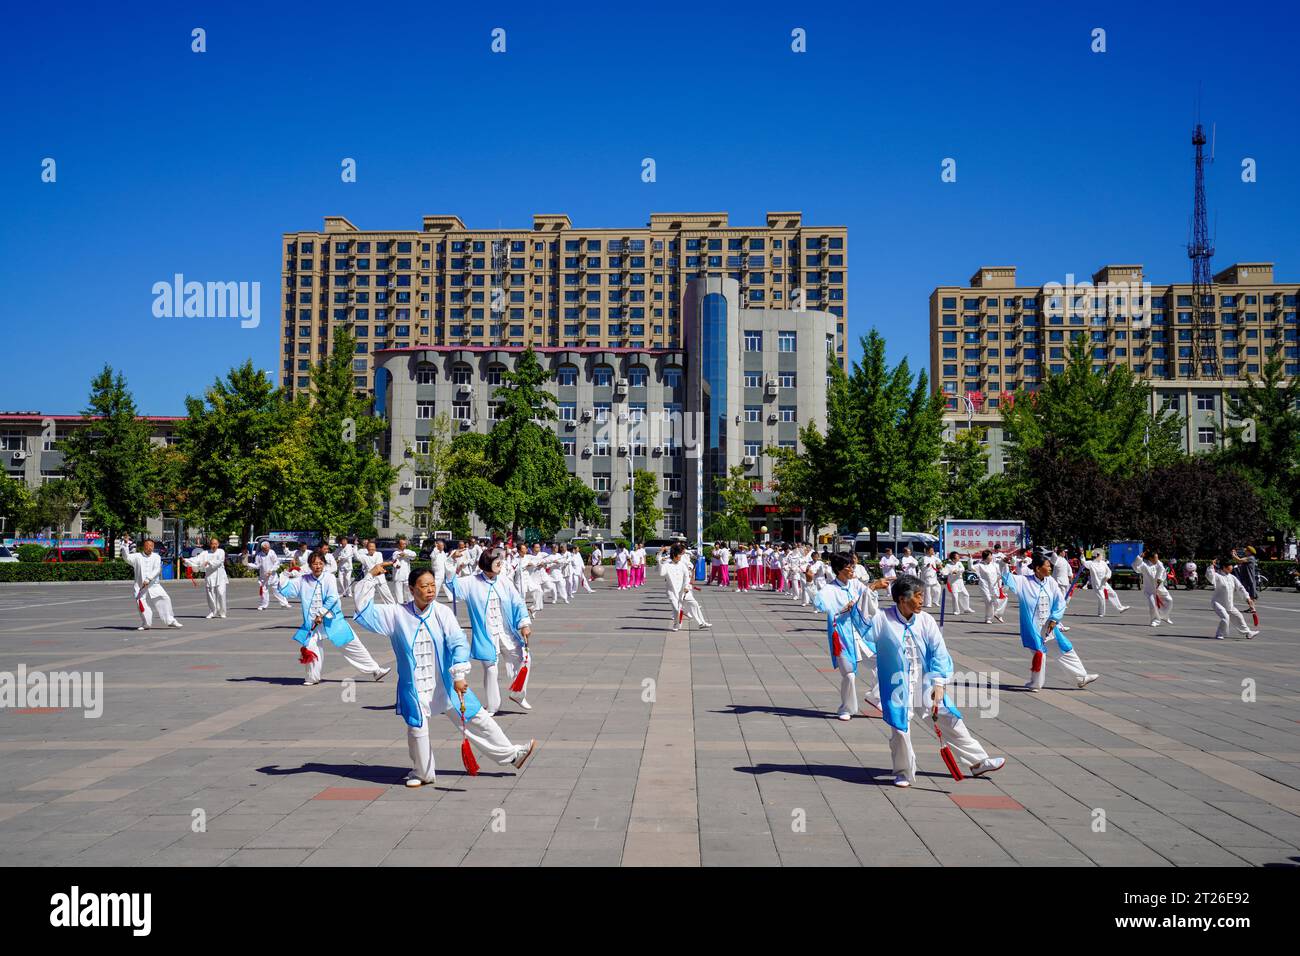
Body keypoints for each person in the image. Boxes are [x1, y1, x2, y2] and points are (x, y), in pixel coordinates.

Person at [353, 564, 535, 787]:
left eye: (432, 585)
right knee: (417, 729)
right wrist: (371, 577)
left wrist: (459, 673)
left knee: (477, 718)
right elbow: (363, 610)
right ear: (412, 589)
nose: (430, 590)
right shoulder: (396, 614)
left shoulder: (442, 612)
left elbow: (458, 642)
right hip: (415, 686)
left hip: (447, 682)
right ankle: (423, 773)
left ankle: (512, 755)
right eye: (424, 586)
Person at [869, 574, 1006, 787]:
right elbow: (861, 617)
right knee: (900, 728)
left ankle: (978, 761)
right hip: (898, 685)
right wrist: (871, 589)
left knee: (950, 719)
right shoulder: (882, 619)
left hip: (925, 682)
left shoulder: (925, 619)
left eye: (922, 595)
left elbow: (939, 652)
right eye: (918, 595)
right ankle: (904, 772)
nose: (922, 600)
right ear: (902, 599)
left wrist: (939, 683)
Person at [276, 552, 391, 686]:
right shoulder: (303, 580)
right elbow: (285, 590)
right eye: (314, 564)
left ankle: (376, 670)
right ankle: (311, 678)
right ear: (310, 565)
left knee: (352, 644)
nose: (318, 566)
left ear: (324, 564)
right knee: (310, 648)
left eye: (320, 563)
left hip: (333, 621)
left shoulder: (329, 577)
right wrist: (286, 574)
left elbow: (332, 598)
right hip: (312, 624)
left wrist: (321, 614)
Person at [447, 547, 535, 714]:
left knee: (525, 658)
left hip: (506, 632)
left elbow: (517, 602)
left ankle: (518, 693)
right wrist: (452, 561)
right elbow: (452, 584)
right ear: (487, 564)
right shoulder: (471, 582)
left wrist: (524, 624)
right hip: (486, 635)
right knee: (491, 669)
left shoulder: (504, 581)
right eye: (496, 561)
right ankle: (493, 705)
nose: (500, 564)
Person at [1003, 550, 1098, 691]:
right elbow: (1006, 577)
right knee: (1039, 653)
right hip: (1033, 627)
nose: (1050, 568)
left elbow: (1060, 601)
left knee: (1065, 648)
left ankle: (1081, 677)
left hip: (1049, 626)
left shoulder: (1051, 582)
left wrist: (1055, 618)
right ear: (1037, 568)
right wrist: (1003, 564)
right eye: (1047, 566)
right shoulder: (1024, 581)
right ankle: (1035, 684)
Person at [814, 553, 888, 720]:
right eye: (848, 566)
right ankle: (846, 708)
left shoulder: (855, 583)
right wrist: (842, 608)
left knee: (882, 662)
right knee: (849, 674)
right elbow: (821, 604)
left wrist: (873, 589)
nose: (852, 569)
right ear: (839, 570)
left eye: (852, 566)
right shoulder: (829, 589)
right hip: (842, 635)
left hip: (861, 634)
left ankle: (875, 696)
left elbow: (868, 599)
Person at [125, 538, 182, 630]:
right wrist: (125, 545)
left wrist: (148, 579)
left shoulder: (156, 557)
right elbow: (126, 557)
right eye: (148, 545)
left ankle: (171, 620)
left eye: (152, 546)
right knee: (141, 603)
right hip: (140, 586)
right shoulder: (137, 556)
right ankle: (146, 623)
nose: (150, 548)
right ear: (144, 546)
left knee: (165, 598)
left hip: (154, 585)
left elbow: (157, 570)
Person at [658, 543, 711, 630]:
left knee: (694, 604)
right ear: (674, 555)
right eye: (679, 554)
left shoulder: (682, 564)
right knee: (676, 609)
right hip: (672, 591)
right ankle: (676, 624)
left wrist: (686, 586)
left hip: (684, 590)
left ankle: (702, 623)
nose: (680, 556)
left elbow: (686, 576)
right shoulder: (667, 565)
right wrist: (660, 558)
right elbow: (661, 573)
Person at [1207, 557, 1258, 640]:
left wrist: (1248, 598)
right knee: (1225, 617)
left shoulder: (1232, 577)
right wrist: (1211, 566)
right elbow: (1210, 576)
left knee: (1239, 617)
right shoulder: (1217, 576)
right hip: (1217, 603)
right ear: (1224, 567)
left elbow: (1240, 588)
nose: (1231, 568)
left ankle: (1248, 633)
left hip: (1229, 604)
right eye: (1230, 566)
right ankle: (1219, 634)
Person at [185, 537, 229, 620]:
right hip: (209, 576)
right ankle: (213, 611)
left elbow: (219, 562)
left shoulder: (221, 552)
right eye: (212, 544)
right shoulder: (205, 553)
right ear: (210, 544)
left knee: (221, 593)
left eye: (216, 544)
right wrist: (187, 561)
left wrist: (208, 562)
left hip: (220, 576)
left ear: (218, 544)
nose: (214, 546)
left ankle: (222, 612)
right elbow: (196, 559)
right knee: (211, 594)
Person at [1132, 550, 1174, 627]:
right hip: (1150, 589)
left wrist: (1160, 579)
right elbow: (1135, 567)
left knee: (1169, 600)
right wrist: (1139, 558)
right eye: (1155, 558)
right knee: (1153, 605)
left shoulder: (1159, 564)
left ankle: (1164, 616)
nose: (1157, 560)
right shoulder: (1144, 565)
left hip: (1160, 588)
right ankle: (1155, 620)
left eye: (1157, 558)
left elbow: (1163, 572)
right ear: (1150, 558)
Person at [245, 540, 290, 611]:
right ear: (262, 548)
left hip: (273, 576)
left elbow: (276, 563)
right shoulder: (259, 555)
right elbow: (257, 565)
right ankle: (263, 605)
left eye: (268, 548)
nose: (267, 550)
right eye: (265, 549)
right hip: (263, 576)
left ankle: (284, 603)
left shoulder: (272, 553)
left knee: (277, 590)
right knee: (264, 591)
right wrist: (248, 564)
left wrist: (271, 571)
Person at [1083, 550, 1129, 617]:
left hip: (1104, 583)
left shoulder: (1103, 563)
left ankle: (1120, 608)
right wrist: (1082, 555)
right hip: (1097, 584)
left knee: (1113, 593)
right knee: (1102, 598)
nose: (1102, 556)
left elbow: (1109, 571)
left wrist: (1107, 576)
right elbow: (1083, 562)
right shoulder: (1091, 564)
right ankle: (1101, 613)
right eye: (1101, 555)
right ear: (1097, 556)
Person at [972, 550, 1008, 624]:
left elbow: (1000, 568)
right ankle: (988, 618)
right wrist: (970, 559)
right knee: (989, 601)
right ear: (986, 557)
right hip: (984, 586)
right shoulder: (980, 565)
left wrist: (1004, 562)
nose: (991, 557)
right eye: (990, 556)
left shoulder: (994, 565)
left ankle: (998, 614)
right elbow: (971, 568)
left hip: (994, 586)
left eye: (991, 555)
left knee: (1000, 600)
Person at [357, 540, 397, 604]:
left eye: (373, 547)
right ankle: (367, 610)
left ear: (375, 548)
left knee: (387, 595)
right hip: (370, 579)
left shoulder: (379, 554)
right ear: (367, 548)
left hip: (379, 577)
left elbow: (378, 565)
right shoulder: (364, 556)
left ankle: (393, 608)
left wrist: (389, 563)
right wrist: (355, 546)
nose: (372, 548)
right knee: (367, 596)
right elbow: (357, 556)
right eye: (370, 547)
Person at [390, 536, 418, 604]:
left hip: (407, 576)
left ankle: (411, 606)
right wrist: (400, 554)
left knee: (409, 594)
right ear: (398, 545)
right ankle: (400, 607)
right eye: (402, 544)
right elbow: (394, 557)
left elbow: (414, 555)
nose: (404, 545)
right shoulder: (395, 552)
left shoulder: (408, 551)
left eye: (405, 544)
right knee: (399, 595)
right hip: (398, 577)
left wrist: (406, 554)